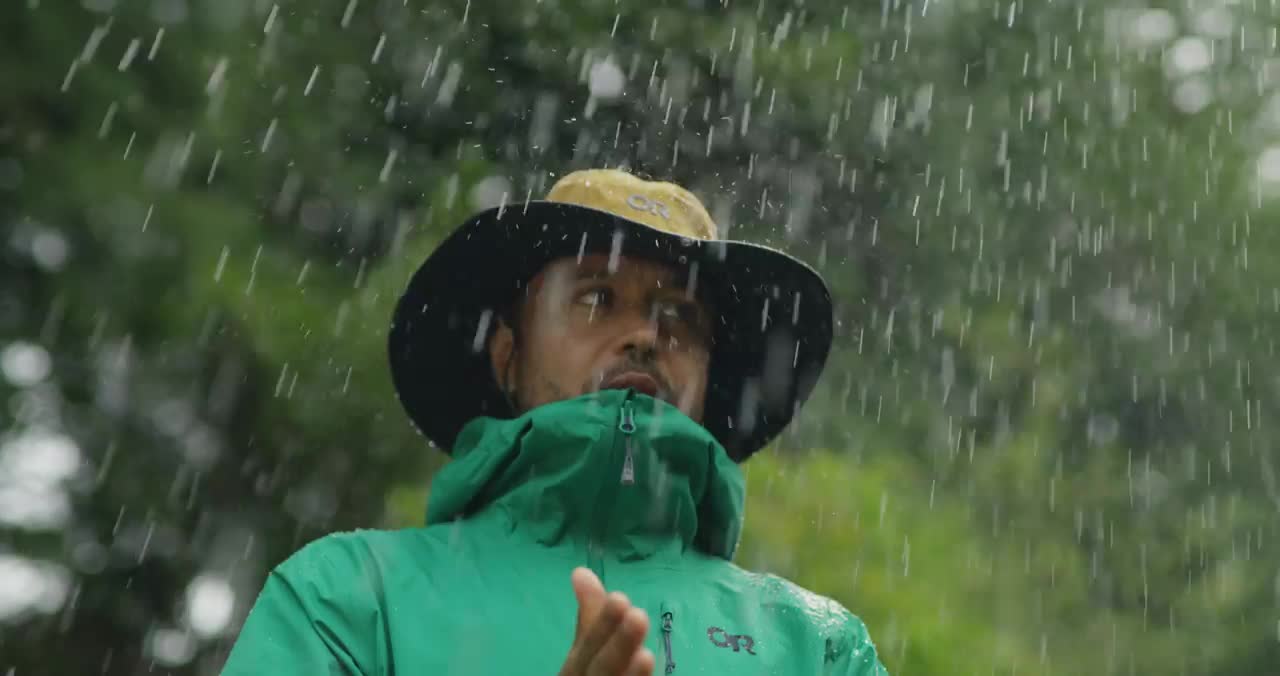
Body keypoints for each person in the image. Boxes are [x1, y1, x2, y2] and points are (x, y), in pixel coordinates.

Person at [223, 169, 888, 675]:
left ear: (710, 378)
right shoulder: (349, 599)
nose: (644, 337)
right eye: (598, 298)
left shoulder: (817, 646)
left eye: (679, 316)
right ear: (508, 355)